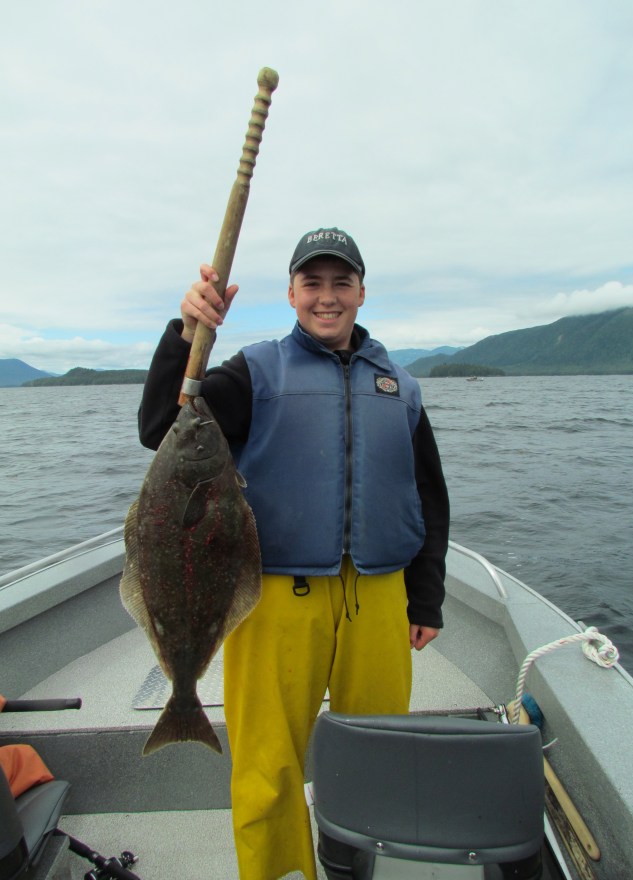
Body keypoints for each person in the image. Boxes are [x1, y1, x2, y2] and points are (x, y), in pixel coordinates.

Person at [138, 227, 450, 880]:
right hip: (276, 595)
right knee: (267, 765)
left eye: (342, 283)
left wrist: (427, 597)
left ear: (362, 292)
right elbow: (163, 428)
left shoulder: (401, 386)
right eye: (313, 283)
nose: (327, 297)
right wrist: (185, 331)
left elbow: (427, 494)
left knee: (378, 754)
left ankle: (361, 866)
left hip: (380, 597)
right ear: (290, 293)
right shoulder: (255, 372)